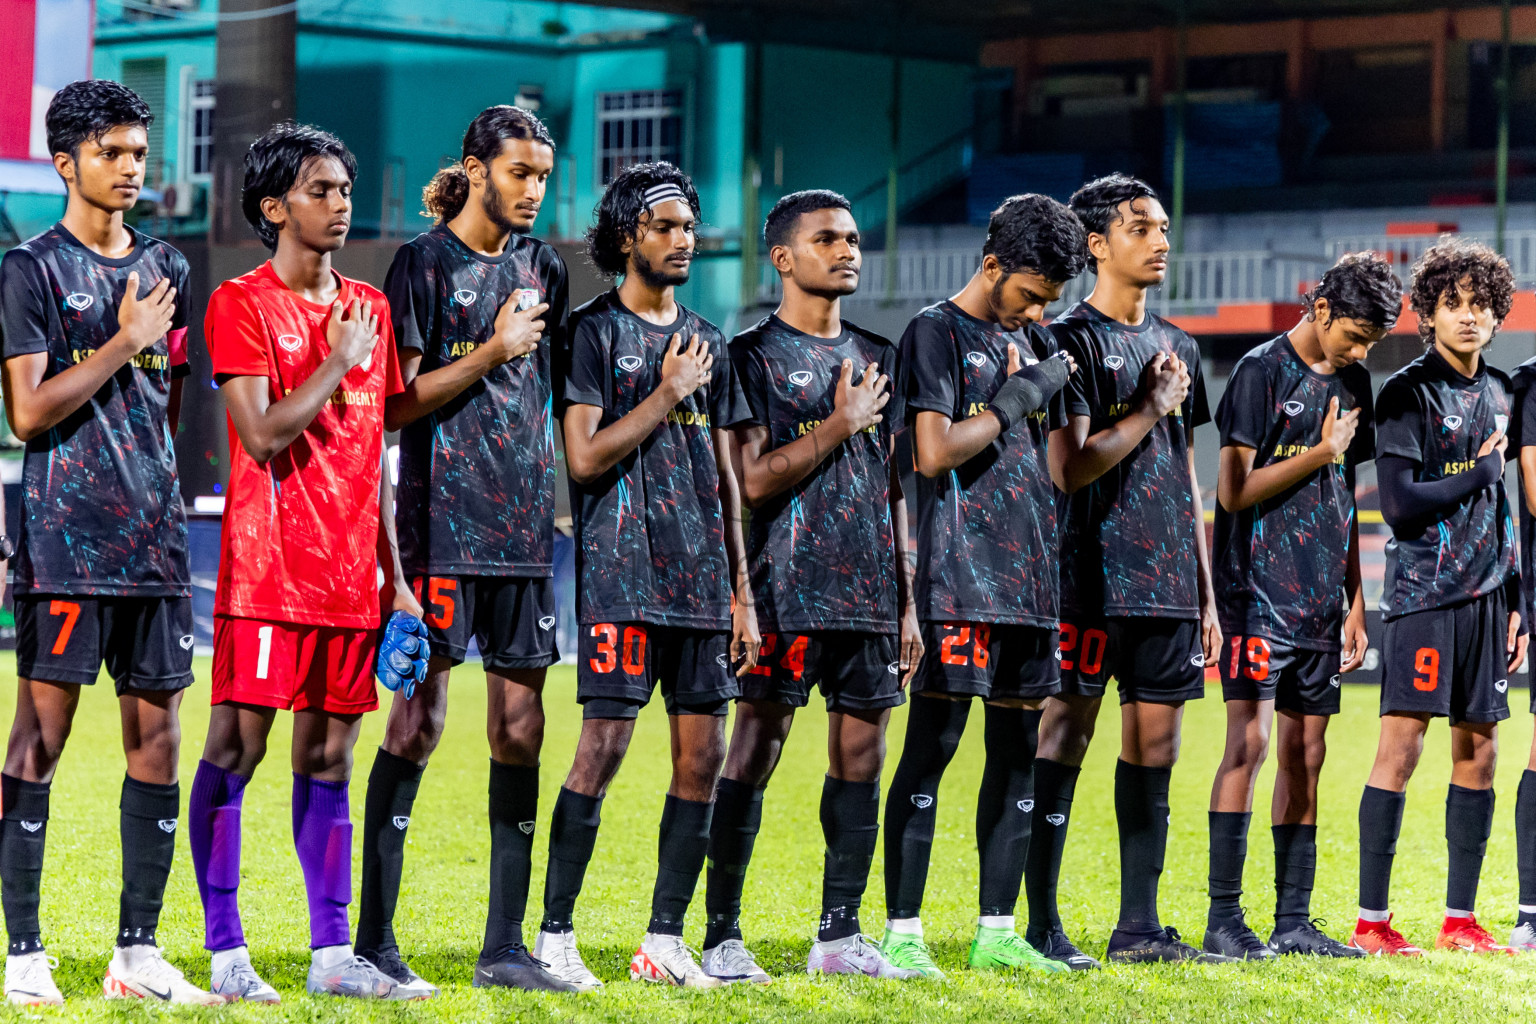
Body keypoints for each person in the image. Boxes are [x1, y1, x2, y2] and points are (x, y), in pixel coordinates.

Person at [190, 121, 423, 1001]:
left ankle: (332, 958)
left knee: (330, 762)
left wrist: (395, 579)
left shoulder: (371, 305)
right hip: (266, 577)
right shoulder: (241, 302)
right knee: (236, 752)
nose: (339, 205)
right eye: (320, 190)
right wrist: (335, 362)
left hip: (352, 585)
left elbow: (374, 459)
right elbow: (262, 433)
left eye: (344, 190)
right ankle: (227, 953)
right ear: (273, 206)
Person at [0, 78, 216, 1006]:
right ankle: (22, 952)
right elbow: (28, 410)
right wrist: (126, 339)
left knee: (158, 741)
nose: (131, 168)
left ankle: (136, 955)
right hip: (63, 540)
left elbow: (167, 405)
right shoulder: (30, 269)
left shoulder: (167, 264)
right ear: (66, 163)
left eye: (138, 153)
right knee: (39, 742)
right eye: (112, 154)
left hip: (156, 545)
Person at [359, 104, 571, 996]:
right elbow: (396, 404)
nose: (532, 190)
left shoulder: (545, 267)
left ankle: (505, 948)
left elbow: (544, 399)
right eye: (519, 173)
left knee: (523, 728)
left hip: (525, 541)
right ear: (477, 170)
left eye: (543, 177)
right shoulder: (421, 263)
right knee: (417, 723)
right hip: (440, 529)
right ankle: (374, 940)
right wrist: (491, 349)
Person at [533, 162, 755, 990]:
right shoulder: (592, 333)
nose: (683, 239)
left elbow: (729, 479)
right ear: (630, 236)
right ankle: (555, 935)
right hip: (624, 577)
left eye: (690, 227)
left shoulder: (709, 340)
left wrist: (742, 591)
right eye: (665, 226)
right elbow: (584, 459)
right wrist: (666, 392)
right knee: (603, 749)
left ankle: (663, 940)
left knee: (704, 759)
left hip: (703, 587)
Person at [702, 190, 920, 983]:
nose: (848, 250)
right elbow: (750, 483)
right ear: (784, 258)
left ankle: (838, 935)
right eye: (827, 239)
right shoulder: (749, 356)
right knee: (753, 753)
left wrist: (906, 598)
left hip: (868, 594)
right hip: (784, 587)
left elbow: (894, 486)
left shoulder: (880, 353)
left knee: (862, 757)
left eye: (854, 238)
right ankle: (722, 934)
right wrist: (839, 421)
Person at [877, 194, 1086, 979]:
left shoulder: (1036, 340)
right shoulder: (934, 332)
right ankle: (903, 932)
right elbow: (931, 454)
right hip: (956, 578)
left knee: (1017, 753)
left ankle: (997, 931)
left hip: (1031, 579)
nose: (1038, 310)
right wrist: (1018, 398)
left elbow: (1061, 469)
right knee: (934, 749)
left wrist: (1066, 394)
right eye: (1030, 292)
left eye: (1050, 301)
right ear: (992, 265)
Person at [1028, 173, 1226, 965]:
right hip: (1084, 574)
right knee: (1063, 736)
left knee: (1157, 747)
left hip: (1168, 581)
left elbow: (1186, 473)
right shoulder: (1065, 340)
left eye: (1164, 227)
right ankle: (1039, 921)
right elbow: (1068, 469)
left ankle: (1138, 928)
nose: (1161, 240)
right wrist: (1148, 407)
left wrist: (1206, 591)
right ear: (1097, 245)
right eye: (1141, 226)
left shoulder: (1181, 346)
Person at [1206, 253, 1400, 959]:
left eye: (1372, 342)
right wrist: (1318, 452)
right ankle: (1224, 919)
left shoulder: (1354, 383)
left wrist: (1354, 598)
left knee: (1306, 753)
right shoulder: (1261, 371)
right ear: (1319, 310)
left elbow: (1345, 496)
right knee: (1249, 745)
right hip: (1255, 591)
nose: (1360, 352)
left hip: (1321, 597)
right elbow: (1232, 491)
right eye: (1354, 335)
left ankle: (1293, 922)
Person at [1350, 237, 1525, 957]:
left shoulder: (1501, 391)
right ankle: (1370, 923)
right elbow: (1397, 504)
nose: (1466, 317)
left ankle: (1459, 921)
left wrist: (1515, 595)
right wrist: (1478, 477)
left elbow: (1504, 506)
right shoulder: (1406, 393)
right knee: (1401, 748)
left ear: (1496, 316)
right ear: (1426, 314)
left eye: (1479, 305)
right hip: (1424, 594)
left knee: (1479, 755)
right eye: (1451, 304)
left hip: (1488, 596)